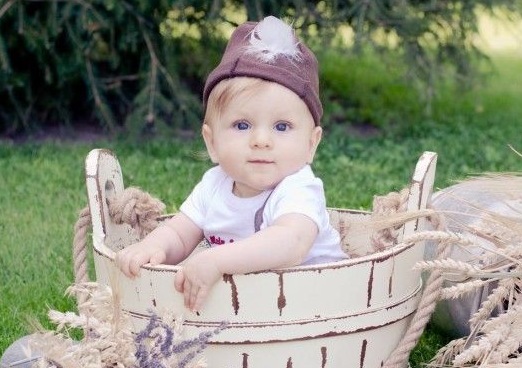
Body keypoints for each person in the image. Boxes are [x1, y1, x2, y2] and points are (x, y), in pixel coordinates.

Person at [115, 16, 348, 312]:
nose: (261, 140)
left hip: (319, 305)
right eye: (241, 125)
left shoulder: (299, 188)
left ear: (311, 144)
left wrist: (217, 260)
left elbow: (290, 242)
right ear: (211, 142)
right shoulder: (213, 185)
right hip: (258, 309)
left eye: (281, 127)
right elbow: (179, 232)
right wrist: (154, 246)